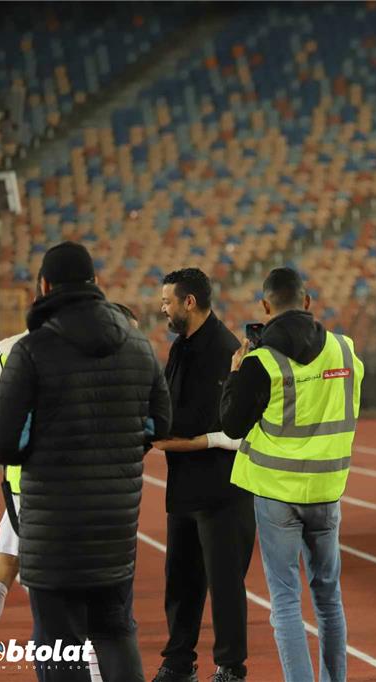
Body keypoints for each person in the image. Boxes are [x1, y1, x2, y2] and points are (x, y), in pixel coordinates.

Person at [0, 241, 171, 681]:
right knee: (116, 633)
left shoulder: (31, 352)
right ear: (96, 283)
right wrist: (118, 452)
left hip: (54, 530)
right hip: (115, 525)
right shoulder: (139, 347)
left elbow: (2, 443)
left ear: (44, 286)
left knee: (58, 642)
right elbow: (158, 424)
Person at [220, 267, 362, 682]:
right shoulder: (344, 350)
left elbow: (232, 425)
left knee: (285, 601)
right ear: (307, 302)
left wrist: (235, 374)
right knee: (329, 598)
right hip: (327, 489)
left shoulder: (261, 362)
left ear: (265, 307)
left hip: (278, 493)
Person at [153, 268, 254, 682]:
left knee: (225, 585)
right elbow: (169, 408)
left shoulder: (224, 350)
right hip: (184, 487)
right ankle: (179, 662)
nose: (163, 308)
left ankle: (231, 667)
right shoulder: (180, 347)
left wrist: (167, 437)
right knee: (180, 582)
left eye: (167, 301)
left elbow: (220, 423)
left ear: (189, 302)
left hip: (222, 491)